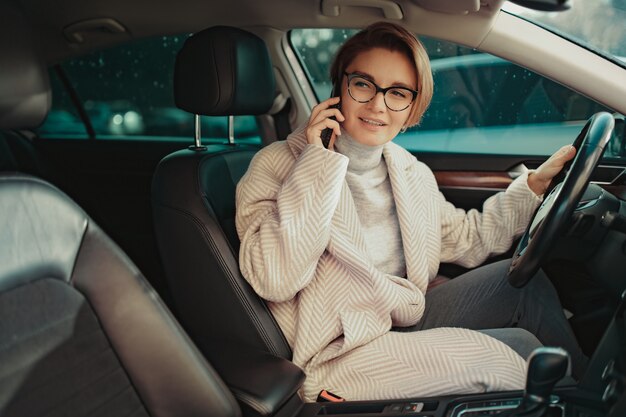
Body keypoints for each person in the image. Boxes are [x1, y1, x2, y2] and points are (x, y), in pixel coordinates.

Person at [235, 22, 586, 402]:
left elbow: (464, 239)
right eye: (364, 84)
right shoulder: (278, 165)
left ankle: (594, 398)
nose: (377, 104)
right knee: (509, 366)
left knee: (524, 299)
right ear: (339, 88)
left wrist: (532, 187)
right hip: (340, 348)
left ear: (412, 107)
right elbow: (275, 278)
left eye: (397, 93)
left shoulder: (408, 170)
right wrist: (317, 162)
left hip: (400, 315)